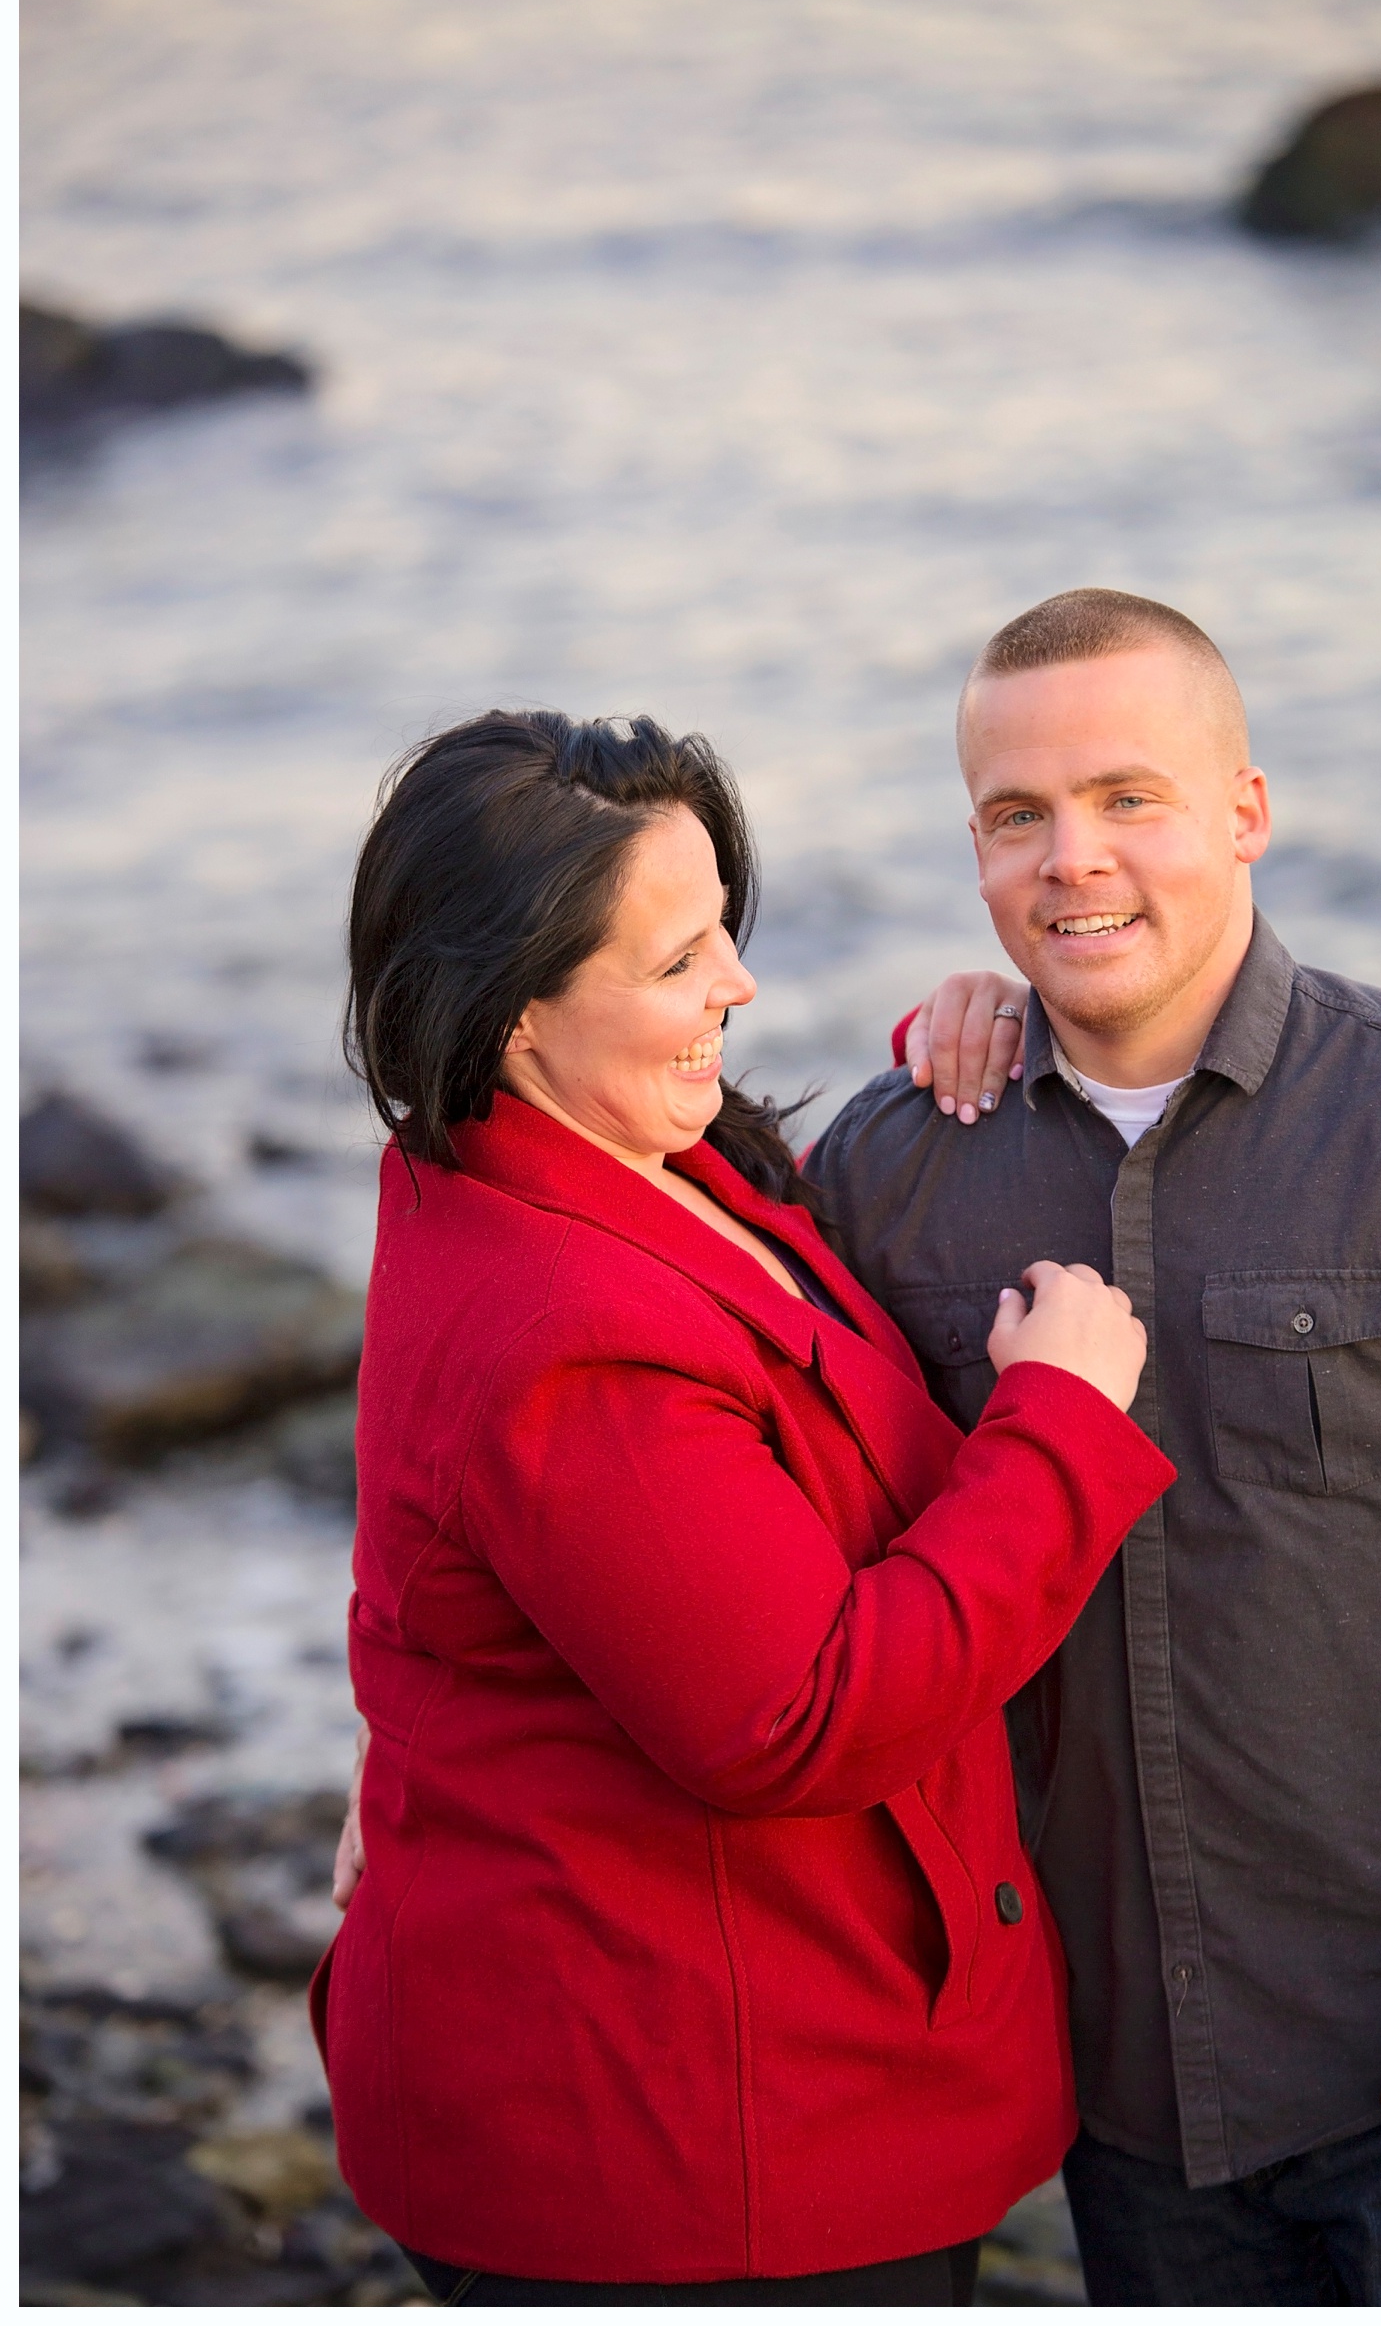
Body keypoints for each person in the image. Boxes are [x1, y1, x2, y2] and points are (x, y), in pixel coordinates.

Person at [318, 710, 1175, 2303]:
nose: (739, 985)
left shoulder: (632, 1154)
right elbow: (803, 1713)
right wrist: (1056, 1425)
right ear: (512, 1017)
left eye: (726, 929)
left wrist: (983, 1044)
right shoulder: (561, 1332)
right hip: (678, 2158)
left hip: (755, 2064)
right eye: (676, 962)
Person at [805, 587, 1381, 2303]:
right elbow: (753, 1526)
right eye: (1020, 818)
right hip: (1114, 2095)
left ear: (1245, 808)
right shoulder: (888, 1170)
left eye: (1127, 798)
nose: (1072, 860)